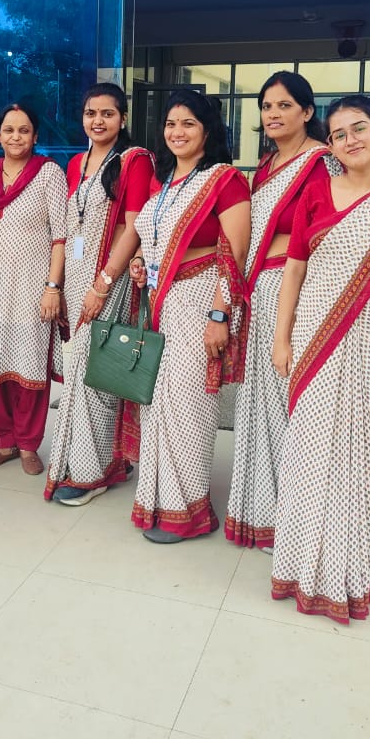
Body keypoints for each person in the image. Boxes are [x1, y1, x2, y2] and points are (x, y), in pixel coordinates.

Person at [269, 94, 370, 623]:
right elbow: (294, 271)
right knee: (309, 449)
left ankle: (354, 570)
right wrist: (281, 338)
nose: (350, 140)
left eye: (359, 128)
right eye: (339, 134)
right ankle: (303, 566)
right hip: (316, 330)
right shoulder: (315, 195)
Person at [127, 90, 250, 542]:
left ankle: (188, 511)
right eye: (170, 123)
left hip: (199, 303)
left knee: (188, 407)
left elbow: (235, 254)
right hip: (159, 302)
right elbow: (153, 241)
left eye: (188, 124)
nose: (177, 132)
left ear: (208, 130)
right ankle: (157, 501)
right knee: (157, 406)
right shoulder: (165, 184)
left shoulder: (225, 179)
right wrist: (141, 262)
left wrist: (220, 314)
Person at [224, 71, 334, 551]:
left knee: (290, 405)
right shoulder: (266, 166)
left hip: (296, 293)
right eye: (267, 106)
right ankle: (263, 514)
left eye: (284, 105)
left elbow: (331, 232)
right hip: (260, 291)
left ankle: (295, 519)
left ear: (307, 112)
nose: (273, 114)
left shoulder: (323, 163)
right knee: (262, 404)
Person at [44, 83, 154, 507]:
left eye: (108, 113)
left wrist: (102, 283)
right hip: (78, 278)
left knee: (95, 374)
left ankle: (92, 472)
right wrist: (63, 285)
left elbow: (134, 228)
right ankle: (106, 460)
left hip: (110, 279)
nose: (98, 121)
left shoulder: (134, 160)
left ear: (122, 118)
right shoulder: (77, 163)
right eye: (91, 113)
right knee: (82, 373)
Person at [0, 103, 67, 477]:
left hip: (33, 289)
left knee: (30, 366)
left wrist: (53, 287)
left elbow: (61, 236)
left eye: (24, 130)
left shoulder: (49, 174)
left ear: (35, 136)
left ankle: (28, 444)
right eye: (9, 130)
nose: (16, 137)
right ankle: (5, 442)